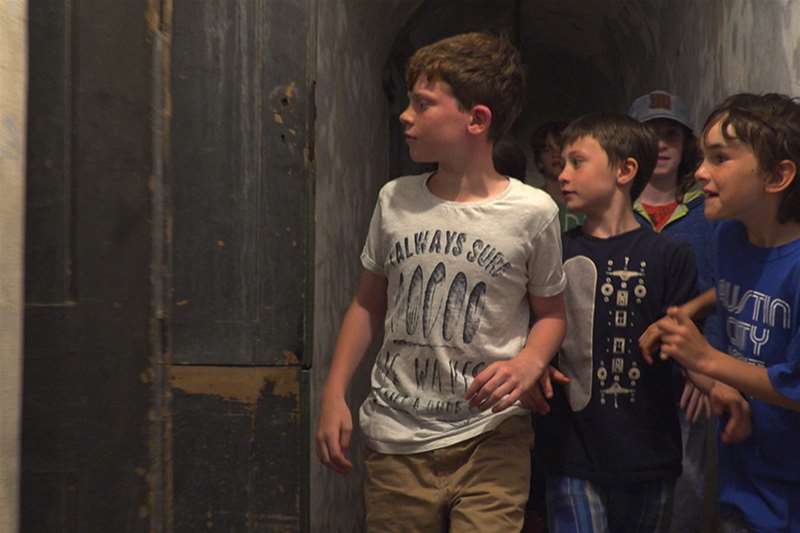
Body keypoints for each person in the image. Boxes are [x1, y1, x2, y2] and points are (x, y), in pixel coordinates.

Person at [315, 32, 567, 532]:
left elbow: (552, 314)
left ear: (476, 120)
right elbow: (368, 303)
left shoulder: (532, 213)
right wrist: (333, 393)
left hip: (491, 435)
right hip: (397, 438)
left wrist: (529, 361)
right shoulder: (395, 200)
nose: (405, 116)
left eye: (423, 104)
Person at [535, 112, 700, 533]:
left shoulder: (670, 256)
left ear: (625, 170)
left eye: (577, 162)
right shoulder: (557, 252)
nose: (563, 175)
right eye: (561, 164)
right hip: (572, 451)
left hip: (650, 454)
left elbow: (686, 344)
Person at [644, 93, 800, 532]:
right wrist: (692, 307)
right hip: (744, 471)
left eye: (720, 158)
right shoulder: (732, 236)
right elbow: (739, 286)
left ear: (777, 176)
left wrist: (706, 360)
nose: (700, 172)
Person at [628, 90, 723, 533]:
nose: (661, 145)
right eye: (650, 135)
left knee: (687, 492)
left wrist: (713, 369)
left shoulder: (712, 213)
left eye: (671, 135)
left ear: (687, 146)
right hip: (627, 376)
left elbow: (728, 292)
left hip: (691, 377)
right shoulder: (614, 212)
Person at [530, 121, 585, 231]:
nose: (555, 154)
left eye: (560, 148)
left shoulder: (590, 202)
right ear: (539, 160)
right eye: (547, 150)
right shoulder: (532, 202)